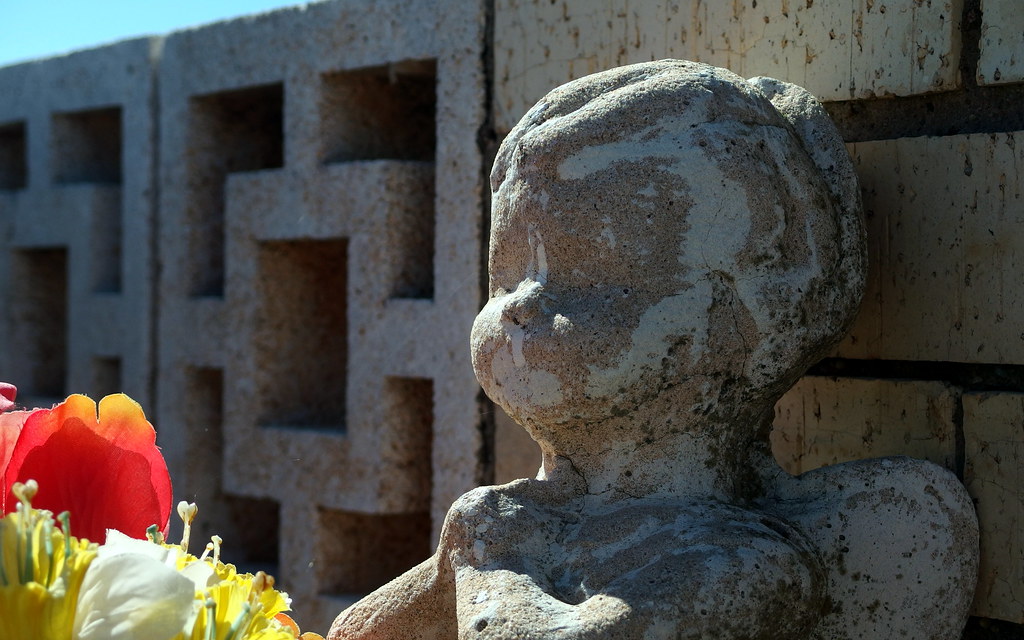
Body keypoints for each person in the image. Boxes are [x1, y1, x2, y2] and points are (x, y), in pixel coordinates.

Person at [329, 59, 977, 640]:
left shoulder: (740, 556)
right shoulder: (512, 526)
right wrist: (470, 552)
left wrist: (490, 565)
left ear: (742, 322)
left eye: (586, 278)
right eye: (509, 274)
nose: (522, 305)